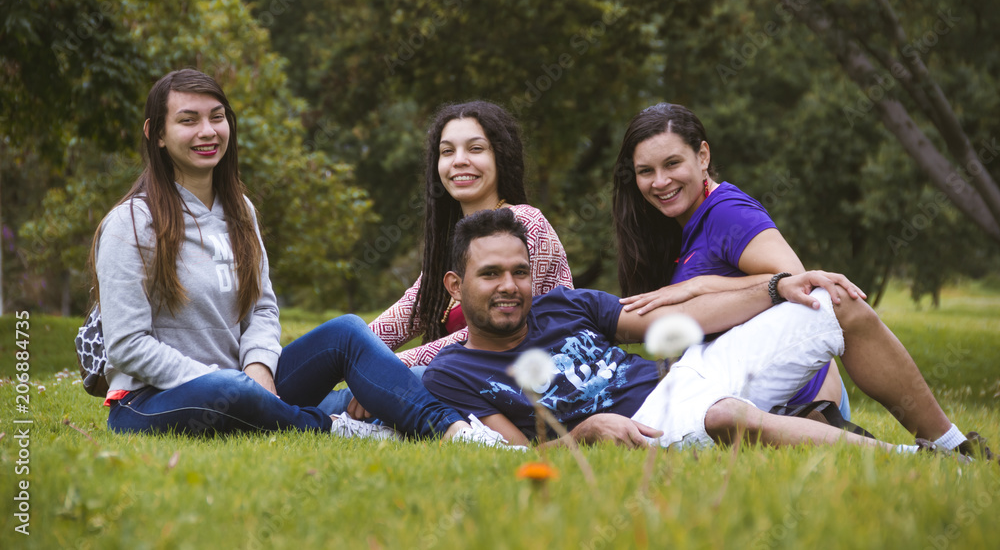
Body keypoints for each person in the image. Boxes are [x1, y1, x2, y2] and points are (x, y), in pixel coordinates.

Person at [90, 68, 507, 445]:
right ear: (157, 134)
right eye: (188, 120)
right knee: (230, 391)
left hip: (250, 387)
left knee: (358, 340)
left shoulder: (240, 212)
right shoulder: (132, 224)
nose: (207, 131)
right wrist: (232, 381)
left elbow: (262, 308)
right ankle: (333, 425)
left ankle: (454, 432)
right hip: (154, 400)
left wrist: (258, 368)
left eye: (217, 117)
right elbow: (127, 345)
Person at [422, 209, 993, 460]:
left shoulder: (564, 306)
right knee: (725, 417)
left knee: (833, 302)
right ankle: (914, 460)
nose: (510, 286)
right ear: (455, 285)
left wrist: (778, 287)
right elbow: (517, 457)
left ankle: (952, 445)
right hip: (651, 428)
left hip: (689, 374)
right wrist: (588, 431)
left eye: (520, 272)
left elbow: (681, 325)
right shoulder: (453, 374)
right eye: (490, 274)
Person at [324, 100, 573, 417]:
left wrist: (387, 370)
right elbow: (403, 316)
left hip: (530, 382)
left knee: (397, 385)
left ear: (501, 156)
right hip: (465, 380)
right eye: (447, 151)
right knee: (345, 360)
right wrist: (340, 355)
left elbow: (494, 337)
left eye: (476, 149)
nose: (459, 161)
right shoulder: (454, 246)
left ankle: (284, 410)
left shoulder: (525, 224)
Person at [612, 103, 847, 418]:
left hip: (803, 407)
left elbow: (797, 282)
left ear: (702, 156)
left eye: (672, 163)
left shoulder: (727, 213)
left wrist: (700, 286)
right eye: (646, 171)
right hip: (739, 401)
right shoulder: (671, 225)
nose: (660, 181)